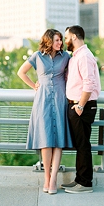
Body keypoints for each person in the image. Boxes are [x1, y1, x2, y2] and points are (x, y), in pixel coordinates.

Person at [18, 28, 72, 195]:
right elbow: (21, 72)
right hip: (42, 101)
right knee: (46, 140)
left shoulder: (66, 57)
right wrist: (34, 85)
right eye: (56, 40)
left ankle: (54, 179)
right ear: (48, 41)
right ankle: (47, 178)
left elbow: (71, 76)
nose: (60, 43)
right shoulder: (37, 56)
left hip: (60, 100)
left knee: (59, 140)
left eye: (60, 40)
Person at [60, 25, 101, 194]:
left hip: (82, 106)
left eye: (67, 38)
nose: (65, 41)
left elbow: (89, 83)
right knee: (80, 144)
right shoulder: (76, 56)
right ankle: (79, 179)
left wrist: (80, 106)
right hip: (77, 105)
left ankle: (85, 183)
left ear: (75, 37)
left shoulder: (84, 56)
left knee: (83, 145)